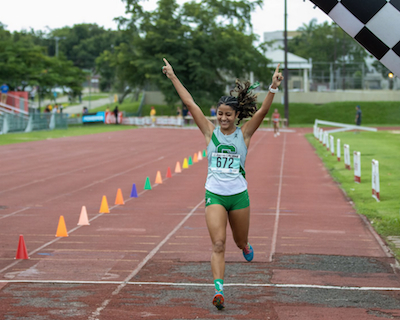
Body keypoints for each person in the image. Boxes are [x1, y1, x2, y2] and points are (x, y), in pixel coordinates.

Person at [162, 58, 283, 310]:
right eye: (220, 114)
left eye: (228, 114)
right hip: (214, 195)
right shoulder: (209, 132)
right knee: (218, 244)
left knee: (239, 242)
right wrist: (173, 76)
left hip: (239, 196)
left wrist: (272, 88)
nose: (223, 118)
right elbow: (189, 103)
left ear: (237, 116)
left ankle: (246, 244)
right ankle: (219, 291)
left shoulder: (245, 134)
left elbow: (262, 112)